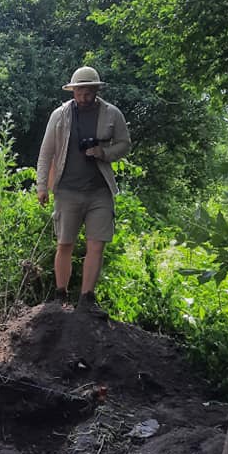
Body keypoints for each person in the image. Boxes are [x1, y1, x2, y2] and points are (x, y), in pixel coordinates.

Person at [36, 66, 131, 317]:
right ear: (72, 91)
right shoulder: (60, 115)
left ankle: (87, 298)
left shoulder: (112, 114)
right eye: (79, 92)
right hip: (67, 190)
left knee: (96, 245)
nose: (83, 97)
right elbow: (46, 152)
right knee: (64, 243)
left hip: (100, 190)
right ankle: (60, 295)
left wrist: (104, 152)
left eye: (88, 92)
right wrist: (42, 186)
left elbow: (124, 144)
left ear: (96, 90)